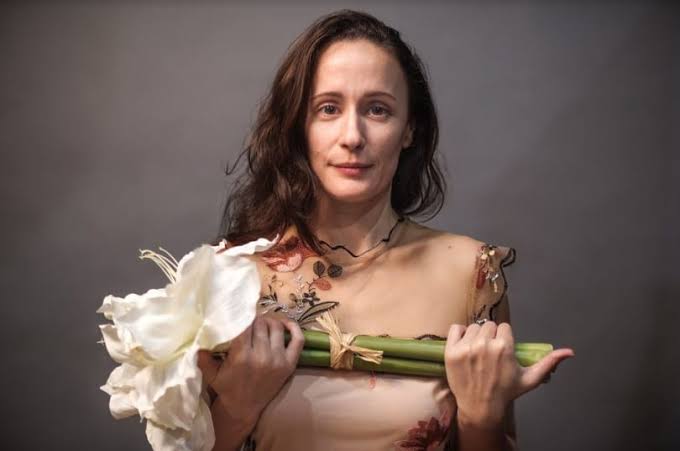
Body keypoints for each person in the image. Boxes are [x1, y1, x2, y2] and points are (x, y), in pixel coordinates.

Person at [197, 9, 574, 451]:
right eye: (328, 109)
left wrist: (479, 418)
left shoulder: (470, 272)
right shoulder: (230, 274)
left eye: (377, 110)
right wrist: (237, 408)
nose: (352, 136)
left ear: (409, 128)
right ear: (299, 125)